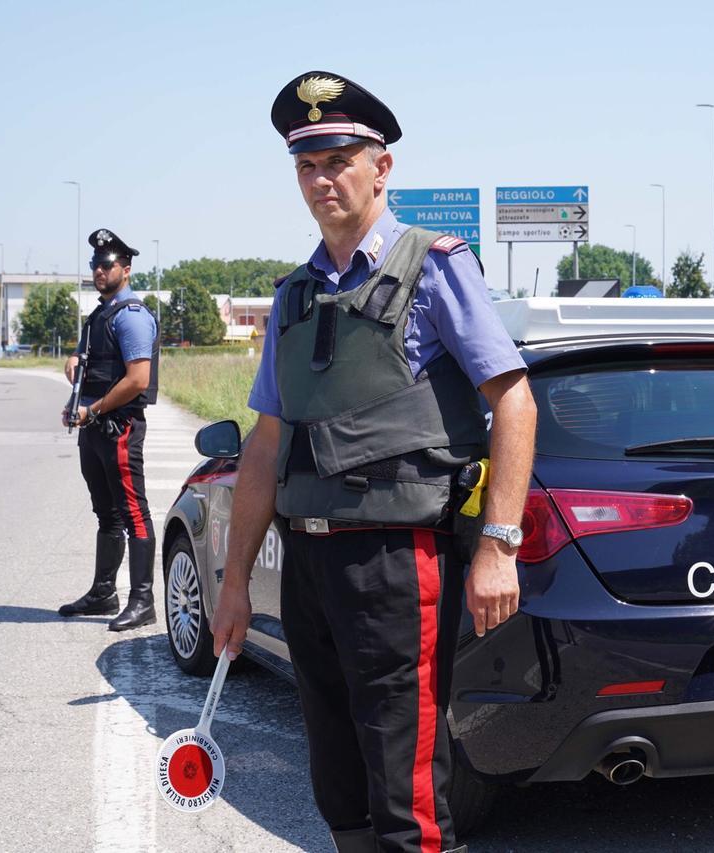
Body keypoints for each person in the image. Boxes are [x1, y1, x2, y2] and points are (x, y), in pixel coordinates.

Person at [211, 71, 537, 853]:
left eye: (338, 161)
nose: (321, 180)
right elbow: (265, 445)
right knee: (338, 784)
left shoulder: (434, 266)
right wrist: (234, 582)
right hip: (309, 563)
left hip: (398, 559)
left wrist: (499, 544)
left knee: (406, 791)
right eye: (306, 166)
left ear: (381, 167)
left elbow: (515, 400)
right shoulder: (293, 296)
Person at [58, 228, 161, 632]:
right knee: (107, 514)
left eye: (106, 264)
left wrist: (93, 410)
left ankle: (143, 601)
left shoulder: (131, 316)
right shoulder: (101, 314)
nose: (99, 270)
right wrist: (73, 361)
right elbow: (92, 361)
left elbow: (137, 379)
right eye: (94, 264)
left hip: (119, 428)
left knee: (134, 514)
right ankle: (104, 593)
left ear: (126, 269)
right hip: (94, 428)